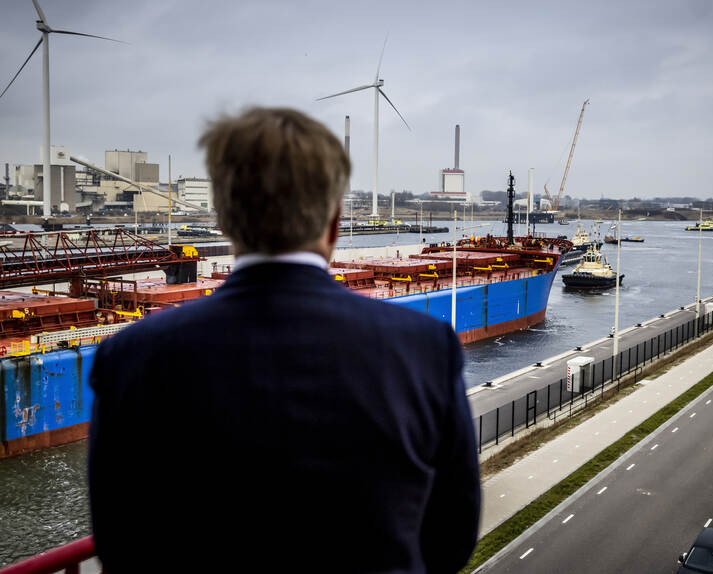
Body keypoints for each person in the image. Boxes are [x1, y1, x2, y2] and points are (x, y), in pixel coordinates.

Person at [87, 107, 481, 573]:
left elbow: (119, 545)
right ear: (335, 221)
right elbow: (452, 536)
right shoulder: (424, 347)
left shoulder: (131, 356)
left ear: (225, 222)